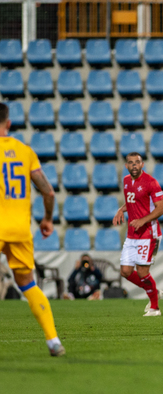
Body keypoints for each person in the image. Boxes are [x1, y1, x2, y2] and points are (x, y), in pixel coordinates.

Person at [0, 102, 65, 356]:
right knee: (27, 284)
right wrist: (47, 219)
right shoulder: (24, 151)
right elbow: (47, 191)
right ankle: (53, 341)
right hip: (19, 229)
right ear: (9, 124)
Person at [113, 152, 163, 316]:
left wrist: (143, 220)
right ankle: (154, 292)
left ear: (142, 164)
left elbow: (161, 208)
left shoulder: (151, 182)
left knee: (142, 271)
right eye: (130, 162)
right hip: (132, 233)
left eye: (137, 162)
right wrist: (121, 209)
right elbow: (132, 200)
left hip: (148, 233)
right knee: (126, 271)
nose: (134, 165)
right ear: (126, 166)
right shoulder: (127, 181)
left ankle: (155, 308)